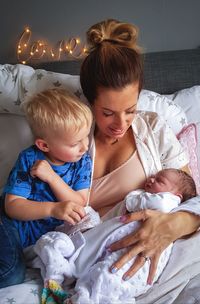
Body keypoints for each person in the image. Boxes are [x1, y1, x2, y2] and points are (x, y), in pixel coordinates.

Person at [79, 18, 200, 285]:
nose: (121, 124)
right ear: (90, 102)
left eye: (130, 110)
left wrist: (172, 225)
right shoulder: (72, 136)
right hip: (88, 253)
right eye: (108, 113)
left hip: (153, 249)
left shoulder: (153, 128)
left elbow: (193, 197)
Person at [34, 168, 197, 304]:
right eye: (153, 176)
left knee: (106, 277)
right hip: (104, 245)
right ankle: (56, 280)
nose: (152, 179)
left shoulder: (167, 203)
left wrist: (136, 197)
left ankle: (81, 296)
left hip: (135, 254)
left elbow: (154, 203)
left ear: (177, 197)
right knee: (54, 242)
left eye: (160, 180)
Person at [0, 88, 93, 288]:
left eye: (86, 137)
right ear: (44, 146)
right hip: (9, 222)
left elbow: (79, 201)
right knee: (10, 274)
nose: (85, 147)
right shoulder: (30, 159)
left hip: (34, 239)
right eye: (75, 143)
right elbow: (12, 206)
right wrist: (52, 209)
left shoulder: (82, 161)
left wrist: (51, 177)